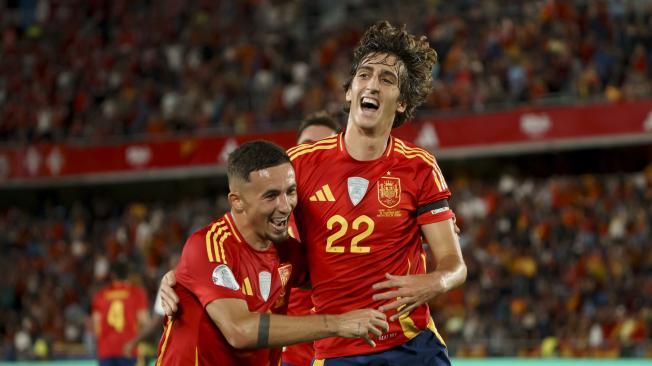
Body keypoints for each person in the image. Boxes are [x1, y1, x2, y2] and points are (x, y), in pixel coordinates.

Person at [162, 21, 466, 365]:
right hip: (338, 346)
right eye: (364, 75)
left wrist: (436, 282)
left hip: (410, 343)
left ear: (402, 103)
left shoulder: (419, 166)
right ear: (350, 91)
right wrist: (182, 275)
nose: (373, 85)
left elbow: (455, 265)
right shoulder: (301, 163)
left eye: (387, 80)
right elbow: (241, 230)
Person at [155, 141, 388, 366]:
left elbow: (342, 278)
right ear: (237, 201)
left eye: (291, 191)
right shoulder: (208, 246)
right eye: (271, 196)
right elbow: (240, 330)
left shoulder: (287, 251)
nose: (285, 206)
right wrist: (336, 324)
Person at [284, 112, 341, 366]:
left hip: (343, 353)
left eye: (324, 147)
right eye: (306, 147)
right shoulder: (266, 213)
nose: (313, 155)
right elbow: (219, 251)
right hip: (288, 357)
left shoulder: (362, 209)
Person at [92, 261, 149, 366]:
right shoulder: (136, 292)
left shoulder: (101, 294)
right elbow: (144, 321)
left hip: (106, 351)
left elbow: (96, 325)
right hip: (128, 349)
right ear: (128, 274)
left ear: (113, 275)